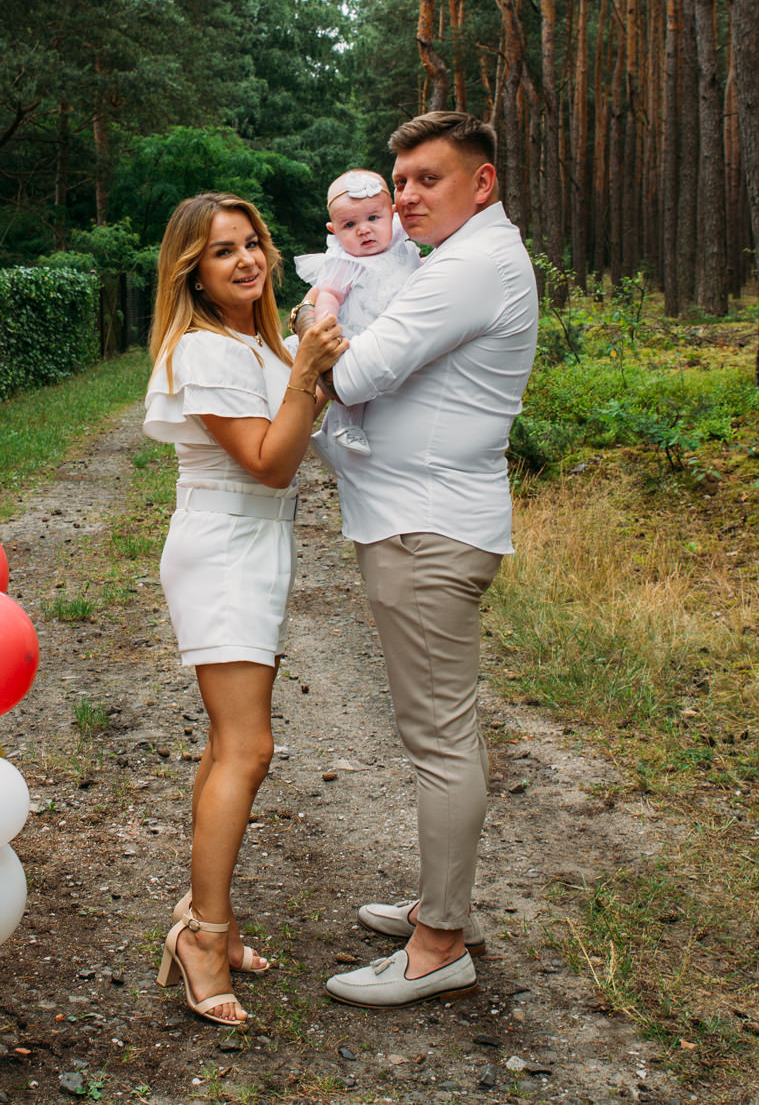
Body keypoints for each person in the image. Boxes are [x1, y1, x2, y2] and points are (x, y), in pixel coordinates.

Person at [296, 113, 538, 1009]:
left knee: (437, 736)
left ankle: (439, 944)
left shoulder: (468, 267)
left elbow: (353, 375)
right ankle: (440, 904)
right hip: (423, 523)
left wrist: (314, 327)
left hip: (426, 531)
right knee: (440, 729)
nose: (404, 198)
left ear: (482, 181)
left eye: (427, 179)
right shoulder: (461, 261)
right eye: (398, 183)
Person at [142, 192, 346, 1026]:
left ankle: (204, 915)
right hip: (224, 546)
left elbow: (293, 441)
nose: (247, 259)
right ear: (193, 273)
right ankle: (203, 936)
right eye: (222, 251)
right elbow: (269, 461)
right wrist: (305, 373)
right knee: (249, 747)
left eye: (252, 241)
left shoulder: (255, 344)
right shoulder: (204, 350)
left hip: (255, 545)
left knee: (228, 743)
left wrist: (301, 356)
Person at [293, 169, 424, 457]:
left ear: (392, 214)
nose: (363, 229)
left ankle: (333, 434)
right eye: (350, 224)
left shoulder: (402, 244)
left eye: (373, 218)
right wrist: (326, 321)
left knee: (390, 388)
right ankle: (344, 426)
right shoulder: (345, 260)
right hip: (357, 328)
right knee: (350, 380)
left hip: (398, 326)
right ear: (334, 230)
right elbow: (330, 293)